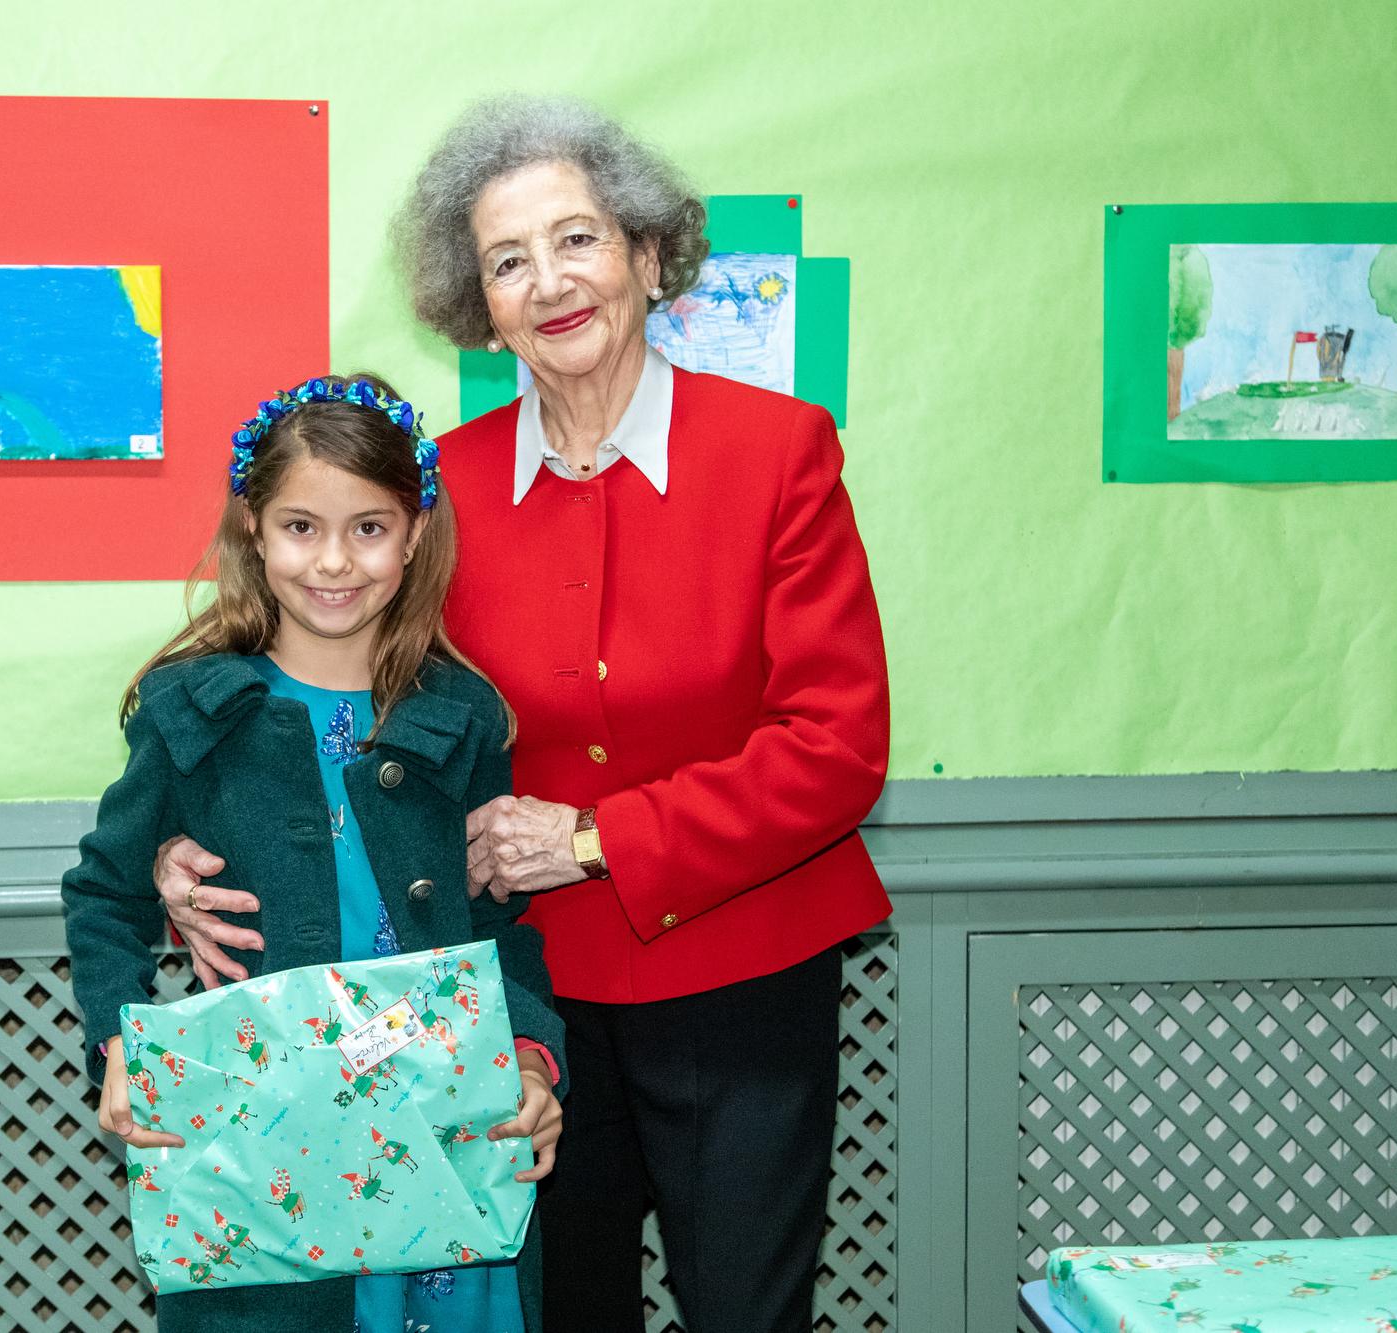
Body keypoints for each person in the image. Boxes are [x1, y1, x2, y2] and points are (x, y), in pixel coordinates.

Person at [154, 98, 892, 1333]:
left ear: (649, 259)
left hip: (743, 972)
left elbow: (836, 751)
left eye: (577, 239)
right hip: (523, 997)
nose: (547, 281)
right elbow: (335, 693)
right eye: (507, 260)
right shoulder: (437, 494)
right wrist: (193, 842)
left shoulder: (779, 451)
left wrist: (596, 840)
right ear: (476, 305)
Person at [61, 374, 567, 1333]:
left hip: (446, 1138)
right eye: (301, 526)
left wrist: (535, 1063)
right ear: (253, 527)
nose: (334, 561)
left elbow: (502, 922)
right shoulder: (192, 710)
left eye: (369, 528)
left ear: (416, 533)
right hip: (267, 1159)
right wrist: (120, 1044)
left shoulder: (461, 716)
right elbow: (104, 892)